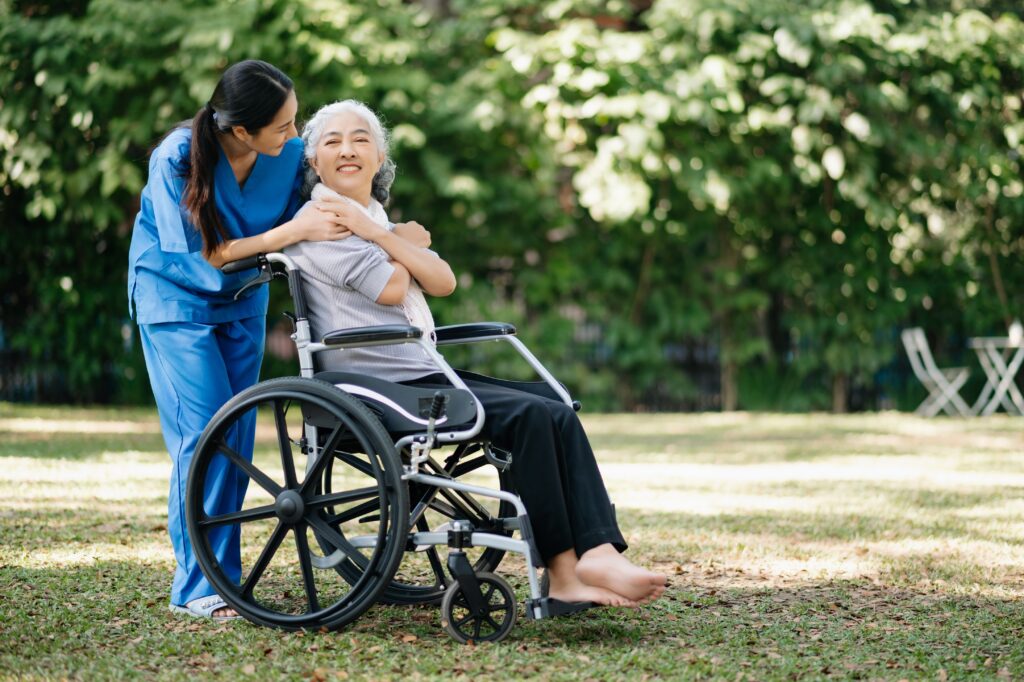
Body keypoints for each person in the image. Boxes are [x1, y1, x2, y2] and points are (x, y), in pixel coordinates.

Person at [284, 100, 668, 607]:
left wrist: (382, 233)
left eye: (361, 139)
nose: (347, 149)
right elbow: (395, 287)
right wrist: (403, 242)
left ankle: (594, 550)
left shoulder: (370, 219)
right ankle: (565, 570)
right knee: (529, 416)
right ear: (314, 162)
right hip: (374, 385)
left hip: (419, 370)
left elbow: (442, 281)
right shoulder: (322, 221)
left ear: (379, 158)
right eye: (332, 141)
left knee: (553, 408)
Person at [127, 61, 360, 620]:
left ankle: (220, 576)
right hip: (177, 301)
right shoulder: (177, 160)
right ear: (240, 130)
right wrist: (291, 232)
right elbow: (207, 254)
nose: (293, 133)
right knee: (203, 433)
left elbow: (337, 197)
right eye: (282, 125)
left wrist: (392, 233)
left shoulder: (287, 156)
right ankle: (198, 587)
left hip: (243, 299)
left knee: (235, 432)